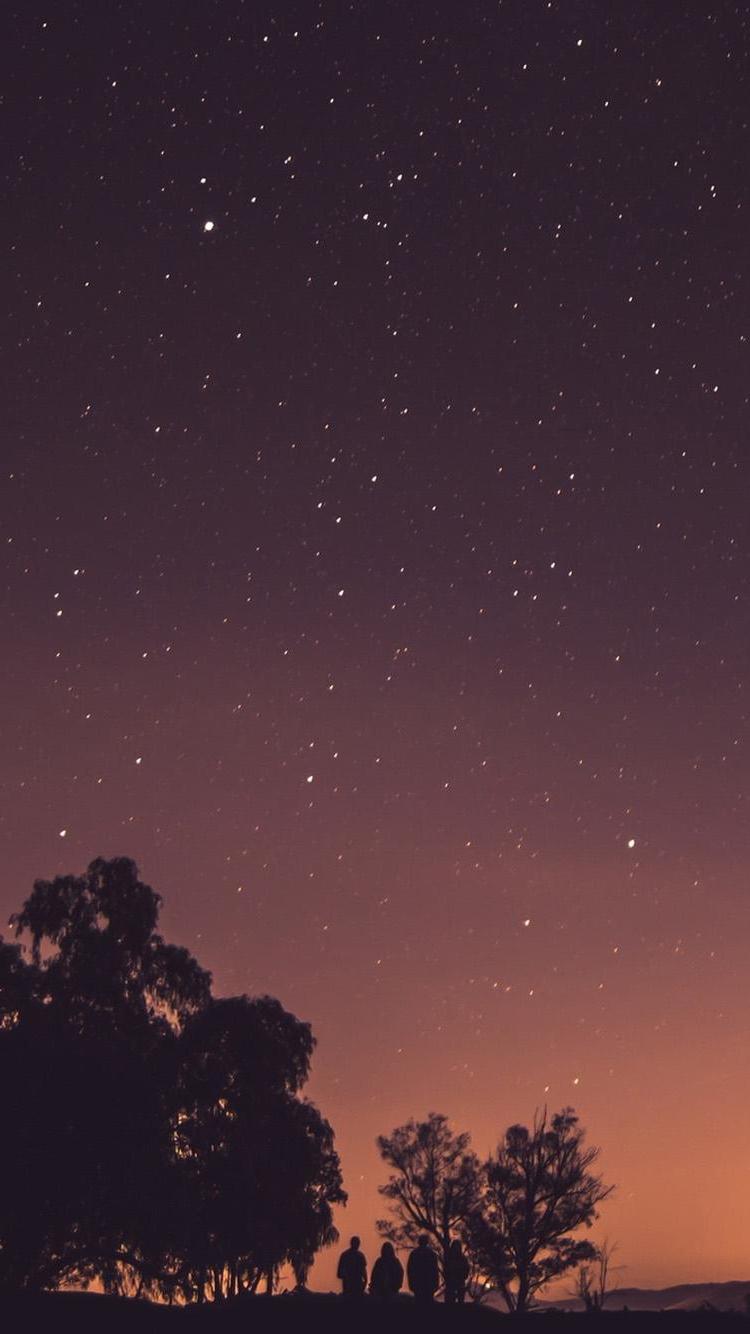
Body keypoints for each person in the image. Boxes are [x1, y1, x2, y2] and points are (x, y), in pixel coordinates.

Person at [407, 1234, 440, 1303]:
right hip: (428, 1285)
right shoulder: (432, 1254)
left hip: (418, 1285)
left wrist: (411, 1284)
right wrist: (436, 1284)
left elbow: (410, 1270)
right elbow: (435, 1271)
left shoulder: (414, 1254)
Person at [445, 1238, 470, 1303]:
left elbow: (466, 1270)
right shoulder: (450, 1258)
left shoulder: (451, 1258)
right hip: (454, 1284)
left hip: (458, 1283)